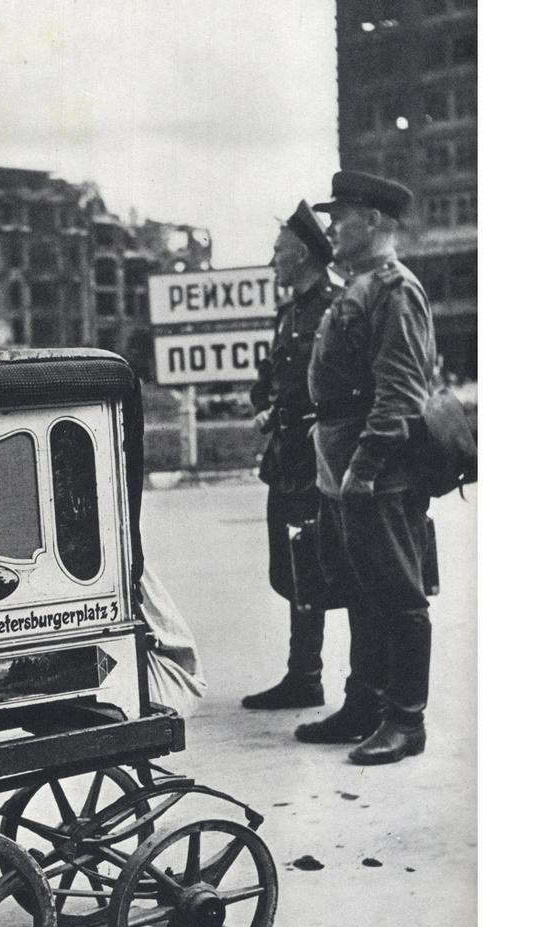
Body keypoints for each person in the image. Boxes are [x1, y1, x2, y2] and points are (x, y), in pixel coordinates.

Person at [293, 170, 436, 766]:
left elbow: (401, 391)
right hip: (343, 463)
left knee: (399, 596)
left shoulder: (393, 289)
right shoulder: (359, 285)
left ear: (374, 221)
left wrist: (366, 467)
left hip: (377, 470)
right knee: (358, 590)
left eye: (341, 215)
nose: (331, 226)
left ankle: (406, 721)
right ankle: (365, 703)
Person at [242, 201, 338, 711]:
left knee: (317, 567)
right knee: (290, 570)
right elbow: (269, 381)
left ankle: (308, 676)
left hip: (319, 460)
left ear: (301, 254)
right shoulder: (290, 314)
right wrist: (266, 409)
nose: (273, 259)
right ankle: (303, 674)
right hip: (286, 462)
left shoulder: (334, 307)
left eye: (279, 250)